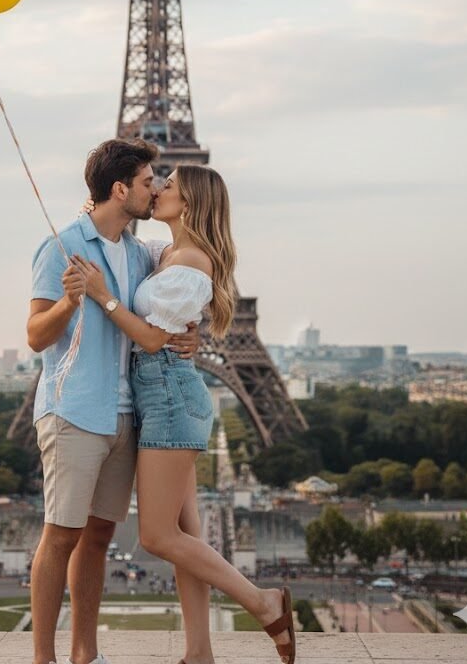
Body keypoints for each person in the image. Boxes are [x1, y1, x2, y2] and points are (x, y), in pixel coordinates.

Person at [70, 164, 296, 664]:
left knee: (156, 535)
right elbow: (121, 244)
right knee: (187, 535)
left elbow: (151, 336)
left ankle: (265, 603)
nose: (158, 188)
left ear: (189, 200)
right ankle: (198, 654)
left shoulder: (189, 260)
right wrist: (95, 206)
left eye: (167, 184)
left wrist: (103, 296)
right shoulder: (166, 252)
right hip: (160, 396)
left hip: (170, 397)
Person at [27, 138, 201, 664]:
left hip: (127, 414)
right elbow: (36, 335)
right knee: (60, 535)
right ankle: (43, 659)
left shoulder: (142, 254)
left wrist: (197, 333)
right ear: (121, 188)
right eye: (150, 182)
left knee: (98, 536)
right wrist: (70, 301)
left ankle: (86, 654)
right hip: (75, 410)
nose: (157, 190)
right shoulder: (60, 247)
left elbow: (176, 298)